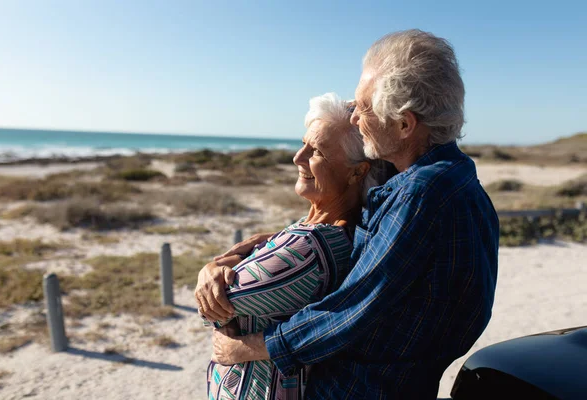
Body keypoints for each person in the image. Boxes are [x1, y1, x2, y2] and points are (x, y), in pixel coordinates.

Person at [198, 29, 499, 399]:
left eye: (364, 107)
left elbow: (356, 305)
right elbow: (338, 224)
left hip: (365, 387)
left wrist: (255, 347)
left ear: (405, 125)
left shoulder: (422, 194)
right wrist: (242, 252)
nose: (356, 118)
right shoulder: (444, 176)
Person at [196, 93, 395, 399]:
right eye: (303, 143)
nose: (298, 157)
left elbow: (214, 305)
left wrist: (215, 269)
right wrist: (219, 264)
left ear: (358, 171)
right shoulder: (325, 230)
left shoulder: (307, 248)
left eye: (317, 152)